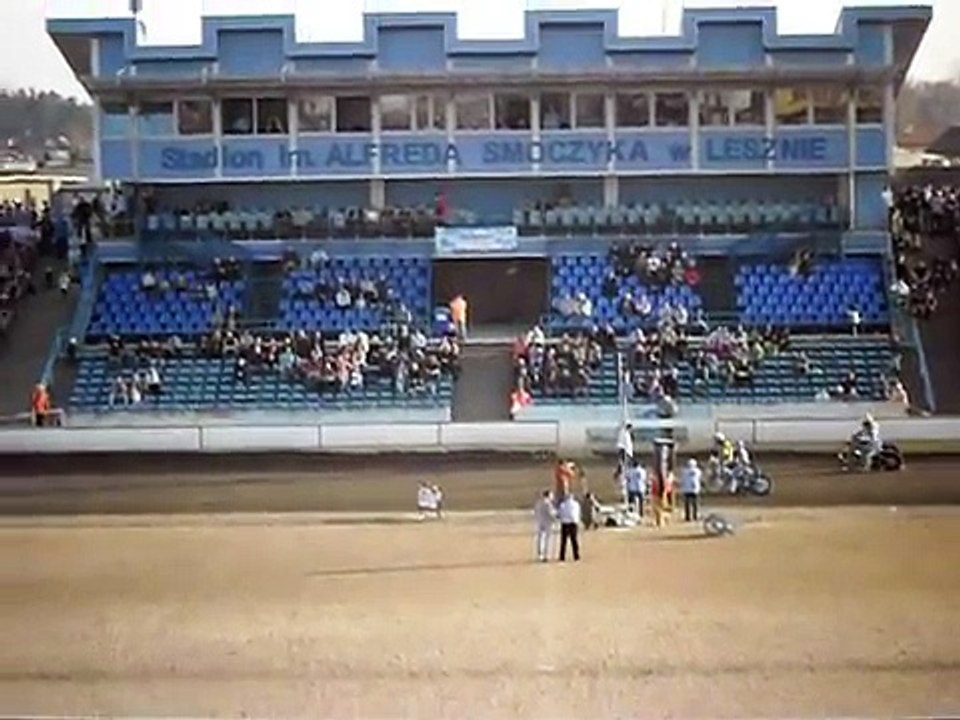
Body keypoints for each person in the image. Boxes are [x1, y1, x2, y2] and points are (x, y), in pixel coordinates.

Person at [557, 493, 582, 562]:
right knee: (574, 540)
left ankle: (562, 556)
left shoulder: (562, 505)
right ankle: (576, 555)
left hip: (565, 523)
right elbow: (578, 513)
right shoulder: (576, 504)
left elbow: (560, 514)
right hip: (573, 523)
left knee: (563, 541)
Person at [533, 490, 555, 562]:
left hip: (539, 522)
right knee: (548, 539)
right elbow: (551, 513)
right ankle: (546, 555)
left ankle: (540, 554)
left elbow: (535, 512)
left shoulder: (538, 503)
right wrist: (555, 518)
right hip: (547, 523)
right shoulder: (548, 504)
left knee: (540, 538)